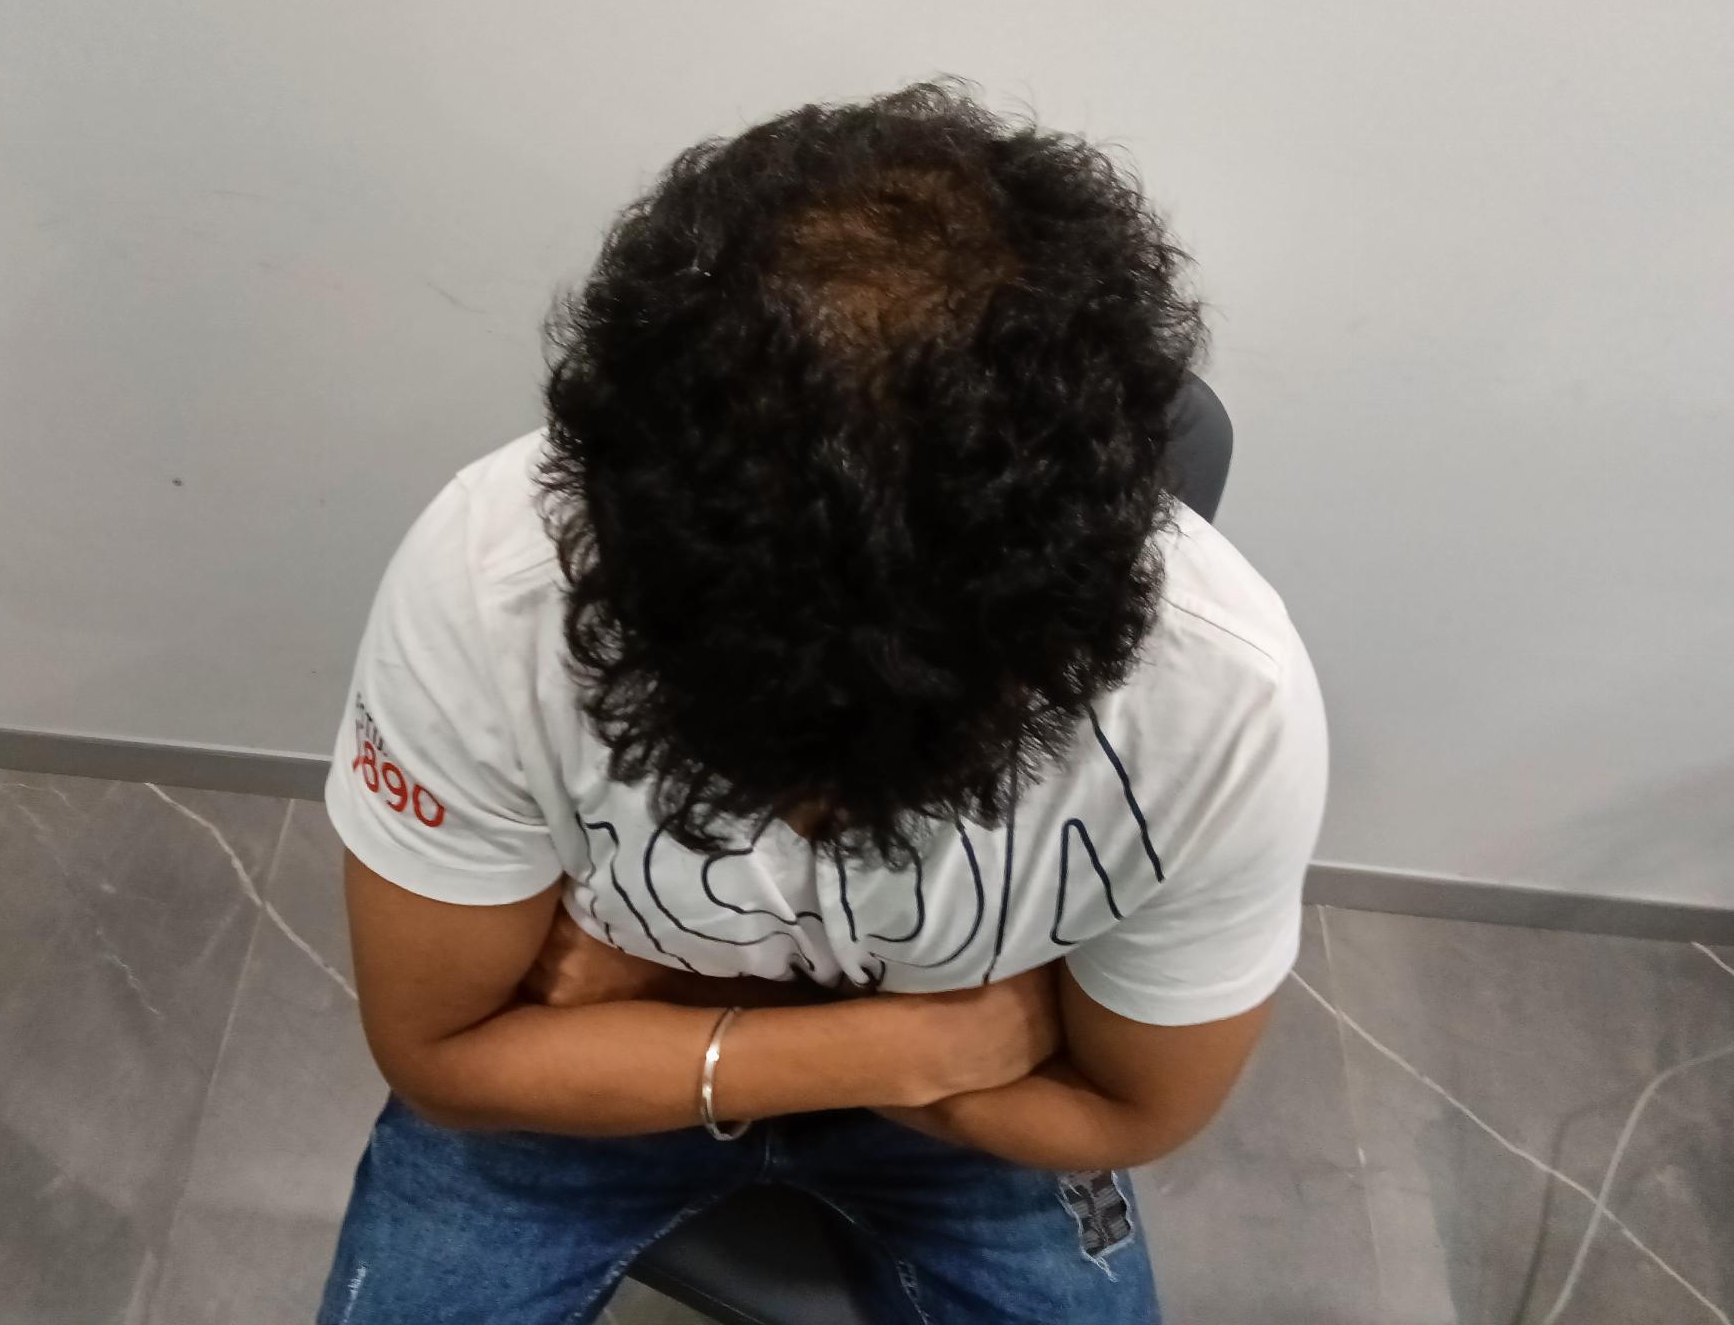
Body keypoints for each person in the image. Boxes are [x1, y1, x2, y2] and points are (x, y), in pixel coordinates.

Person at [316, 80, 1328, 1325]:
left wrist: (663, 997)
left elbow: (1129, 1111)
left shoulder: (1225, 700)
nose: (815, 821)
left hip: (885, 1117)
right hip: (950, 1068)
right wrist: (908, 1045)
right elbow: (445, 1059)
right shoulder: (492, 581)